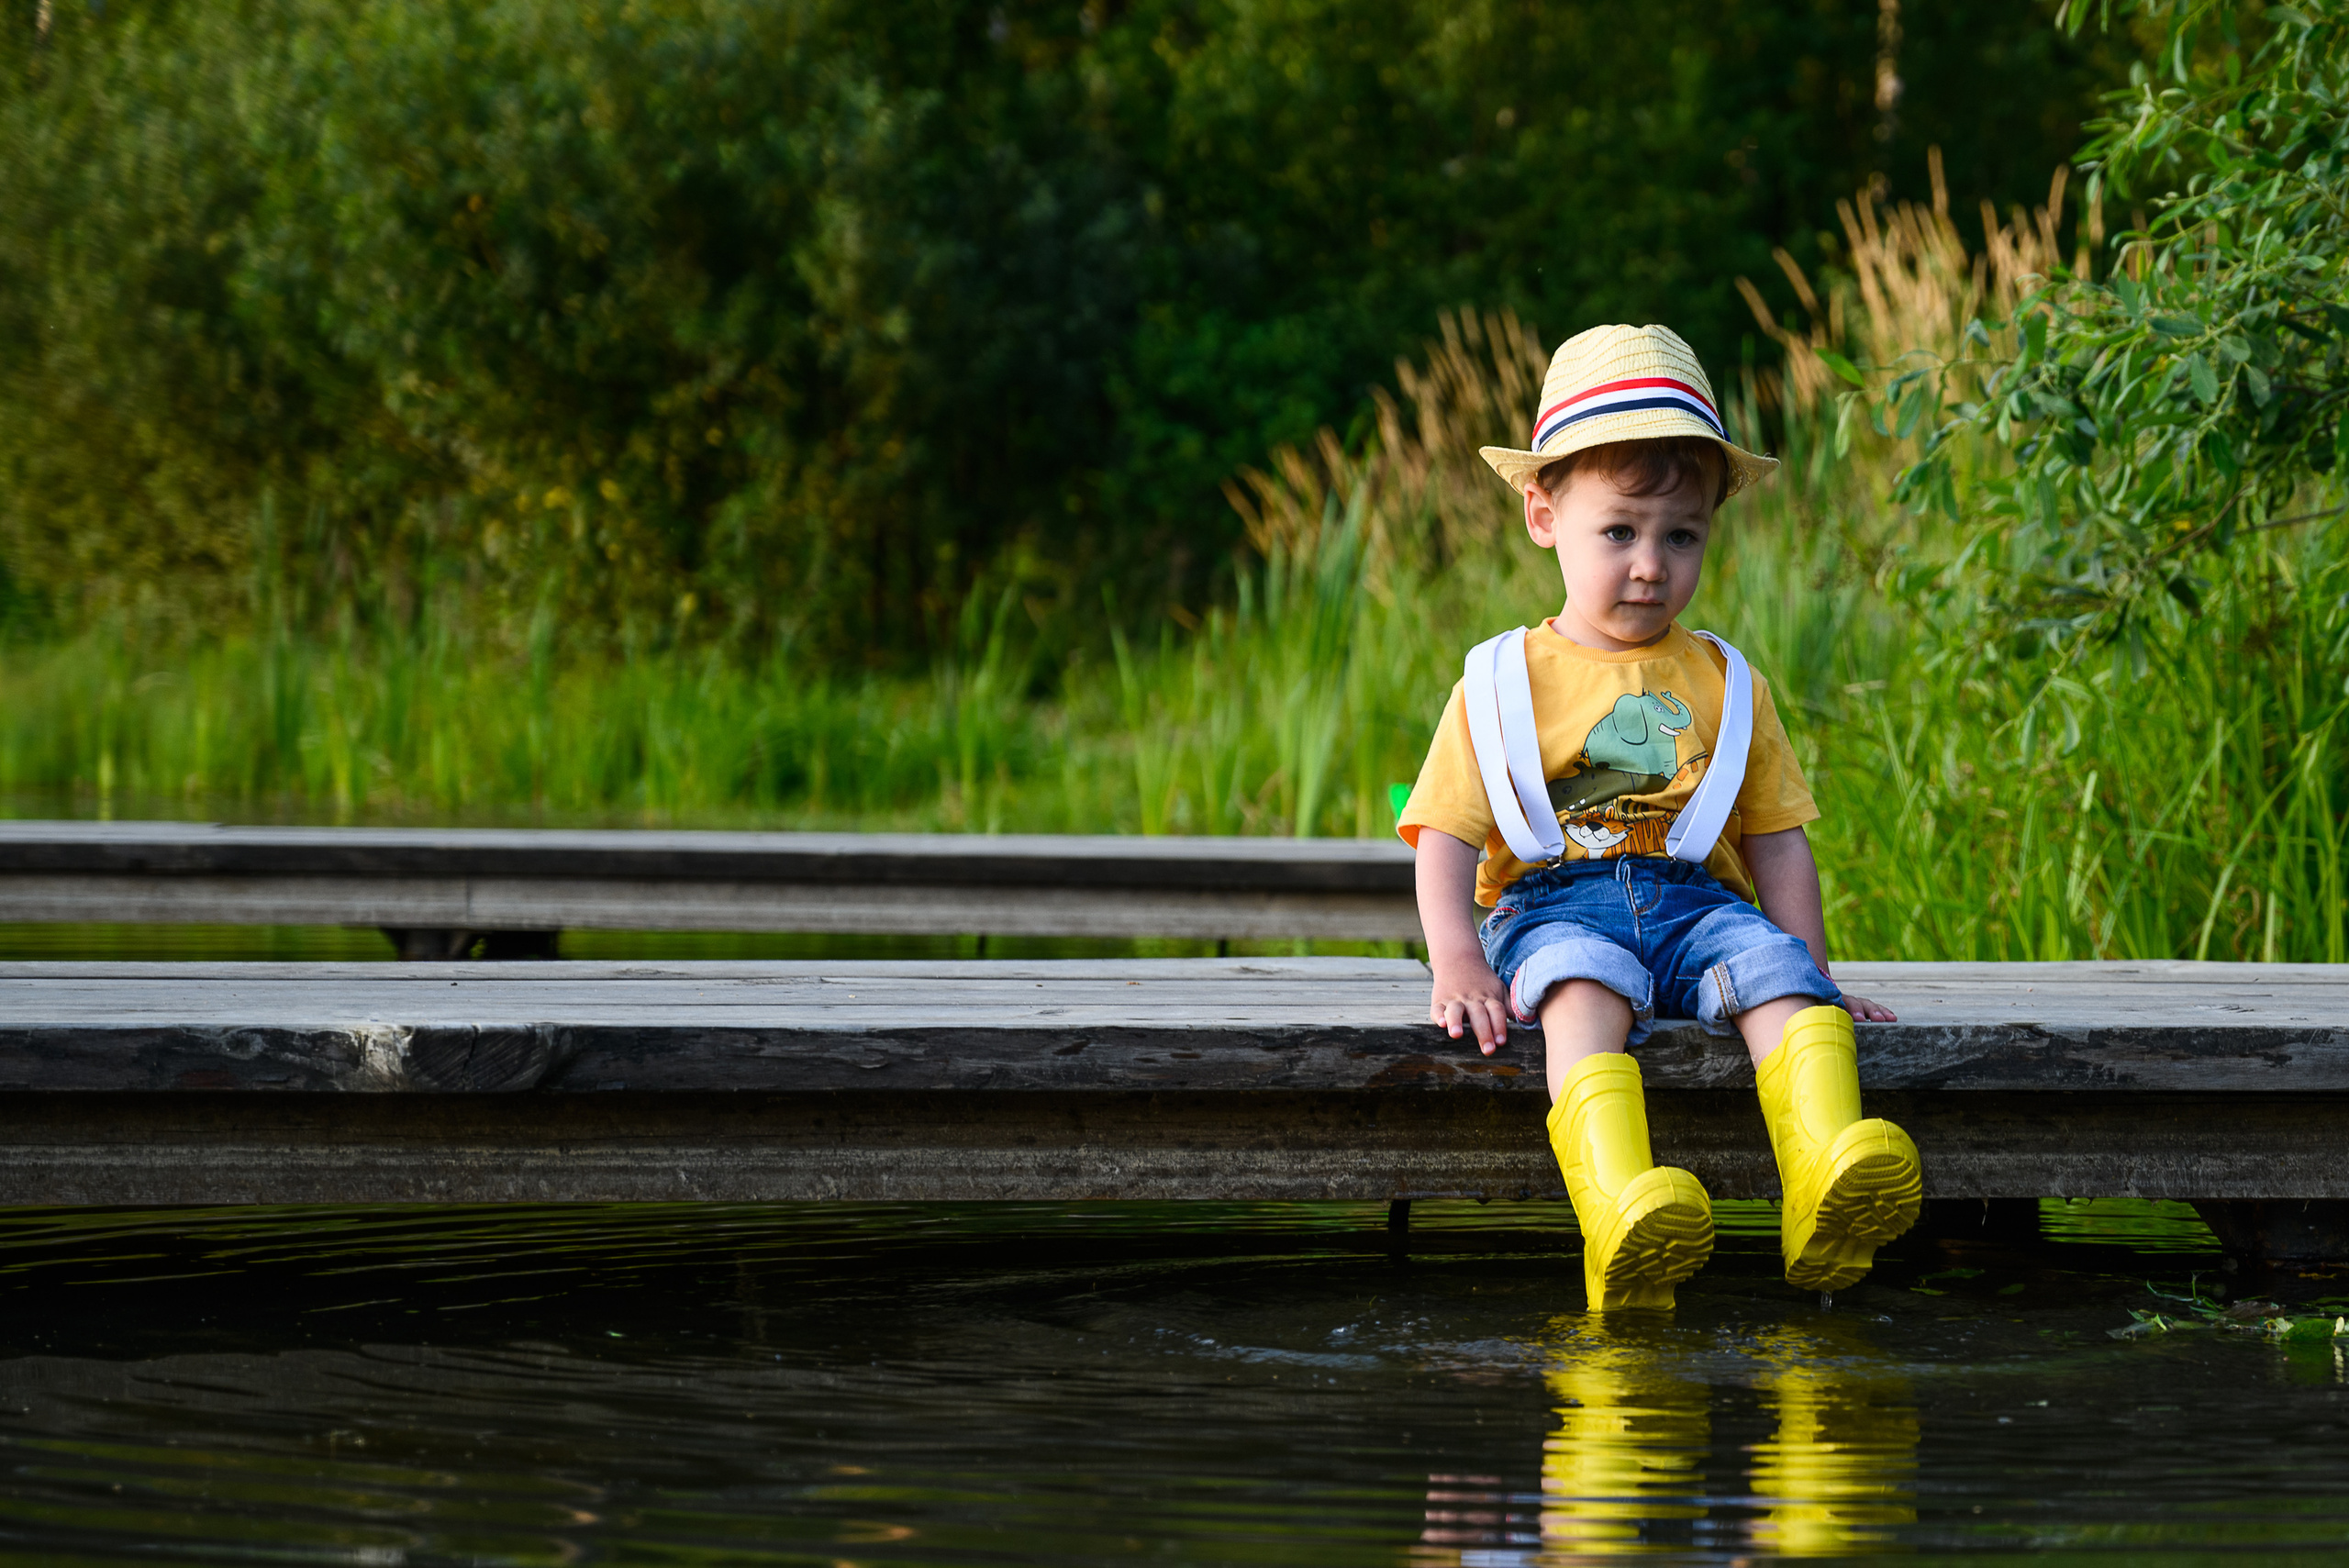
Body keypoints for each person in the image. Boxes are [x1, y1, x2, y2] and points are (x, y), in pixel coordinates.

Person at [1395, 323, 1922, 1311]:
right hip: (1551, 906)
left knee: (1774, 976)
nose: (1650, 564)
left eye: (1681, 536)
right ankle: (1620, 1210)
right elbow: (1444, 835)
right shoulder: (1499, 681)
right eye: (1619, 532)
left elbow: (1775, 840)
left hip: (1696, 906)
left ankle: (1824, 1183)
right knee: (1578, 989)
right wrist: (1457, 960)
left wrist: (1811, 969)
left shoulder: (1725, 679)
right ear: (1543, 515)